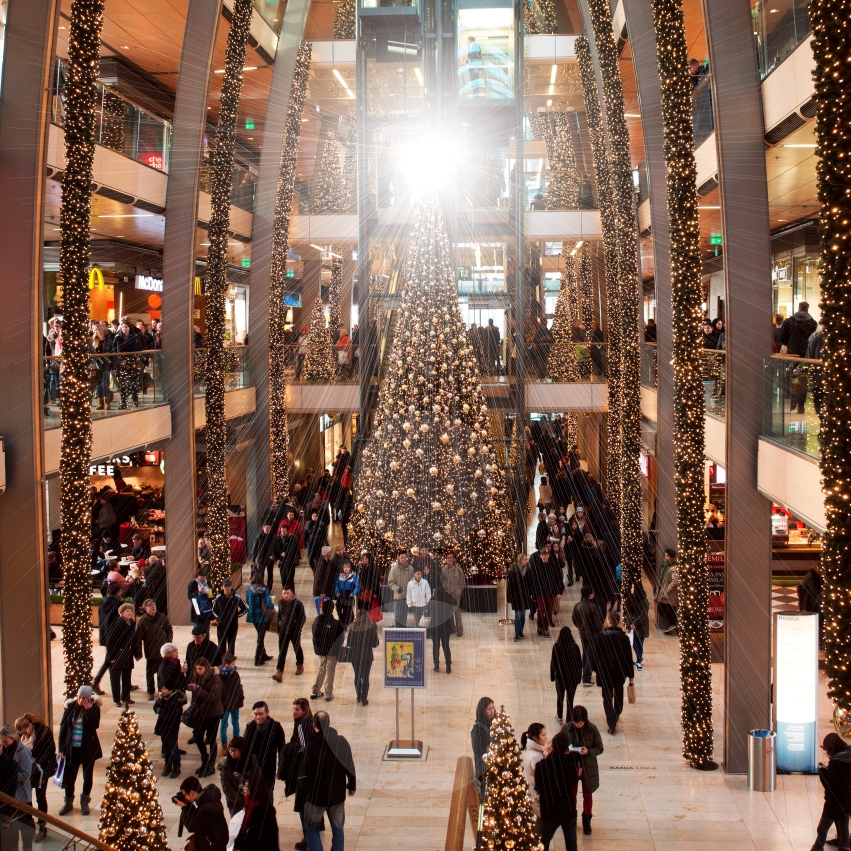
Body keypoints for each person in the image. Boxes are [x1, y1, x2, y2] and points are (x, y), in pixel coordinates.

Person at [300, 711, 356, 851]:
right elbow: (349, 764)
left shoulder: (312, 746)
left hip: (316, 797)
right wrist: (352, 784)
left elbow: (306, 773)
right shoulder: (341, 742)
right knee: (338, 830)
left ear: (313, 726)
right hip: (337, 796)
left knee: (312, 828)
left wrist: (303, 794)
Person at [58, 685, 102, 817]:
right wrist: (61, 747)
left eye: (84, 698)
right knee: (70, 777)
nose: (81, 700)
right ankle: (68, 801)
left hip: (88, 749)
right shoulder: (70, 707)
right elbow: (63, 728)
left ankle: (84, 802)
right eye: (80, 697)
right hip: (73, 749)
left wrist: (88, 711)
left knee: (87, 776)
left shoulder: (94, 709)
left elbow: (94, 725)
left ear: (89, 699)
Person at [588, 610, 634, 734]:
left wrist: (596, 669)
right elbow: (628, 658)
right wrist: (631, 675)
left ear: (608, 621)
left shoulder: (599, 638)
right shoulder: (623, 639)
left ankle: (611, 722)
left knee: (607, 698)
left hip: (605, 673)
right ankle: (616, 713)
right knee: (618, 695)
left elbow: (592, 656)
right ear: (618, 622)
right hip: (619, 672)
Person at [14, 713, 57, 839]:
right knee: (27, 797)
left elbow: (49, 751)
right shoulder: (20, 735)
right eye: (21, 734)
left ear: (30, 726)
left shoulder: (44, 733)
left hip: (41, 770)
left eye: (25, 733)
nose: (24, 736)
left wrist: (32, 759)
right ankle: (30, 824)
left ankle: (42, 825)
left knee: (40, 797)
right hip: (28, 771)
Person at [534, 731, 579, 851]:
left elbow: (538, 786)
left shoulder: (541, 766)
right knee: (571, 845)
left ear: (552, 746)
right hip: (567, 810)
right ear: (566, 749)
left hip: (550, 811)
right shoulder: (570, 767)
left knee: (542, 843)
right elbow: (574, 782)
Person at [281, 699, 316, 851]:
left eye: (297, 709)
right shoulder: (311, 722)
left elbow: (303, 748)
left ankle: (308, 838)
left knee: (302, 805)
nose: (294, 712)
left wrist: (289, 750)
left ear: (304, 710)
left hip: (303, 771)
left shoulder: (301, 725)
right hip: (312, 770)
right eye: (293, 709)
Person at [563, 705, 604, 836]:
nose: (579, 725)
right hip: (571, 766)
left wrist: (589, 751)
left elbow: (600, 748)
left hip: (588, 766)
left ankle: (587, 820)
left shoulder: (592, 729)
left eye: (581, 723)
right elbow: (558, 744)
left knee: (587, 794)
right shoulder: (567, 728)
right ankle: (572, 819)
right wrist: (566, 751)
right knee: (572, 794)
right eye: (576, 723)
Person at [811, 733, 851, 851]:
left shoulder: (835, 763)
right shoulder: (848, 758)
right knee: (844, 828)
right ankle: (844, 848)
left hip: (834, 802)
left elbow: (829, 785)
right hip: (847, 800)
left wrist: (823, 771)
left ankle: (817, 848)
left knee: (822, 829)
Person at [187, 657, 224, 777]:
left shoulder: (215, 679)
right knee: (197, 736)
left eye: (201, 668)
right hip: (201, 713)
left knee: (211, 739)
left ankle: (211, 764)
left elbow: (212, 697)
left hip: (213, 714)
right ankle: (205, 758)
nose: (198, 671)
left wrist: (198, 689)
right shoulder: (197, 677)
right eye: (197, 669)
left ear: (206, 668)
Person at [0, 726, 35, 848]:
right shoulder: (6, 749)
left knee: (25, 826)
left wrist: (11, 776)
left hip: (21, 795)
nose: (4, 744)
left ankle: (27, 848)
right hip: (10, 796)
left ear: (13, 738)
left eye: (6, 741)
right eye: (2, 742)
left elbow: (26, 773)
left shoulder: (23, 751)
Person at [243, 701, 286, 794]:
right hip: (253, 769)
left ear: (267, 712)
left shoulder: (276, 727)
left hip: (268, 769)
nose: (258, 717)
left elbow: (282, 750)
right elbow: (244, 750)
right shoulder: (250, 728)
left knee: (268, 794)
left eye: (261, 714)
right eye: (256, 714)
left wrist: (280, 768)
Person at [176, 777, 229, 851]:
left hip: (213, 846)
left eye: (185, 794)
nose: (185, 797)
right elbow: (198, 817)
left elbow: (192, 826)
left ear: (192, 793)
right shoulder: (207, 798)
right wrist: (188, 806)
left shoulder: (207, 807)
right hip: (213, 841)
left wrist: (185, 807)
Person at [134, 597, 173, 700]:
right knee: (150, 673)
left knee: (162, 672)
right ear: (145, 609)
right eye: (150, 605)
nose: (153, 606)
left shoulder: (162, 617)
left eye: (154, 604)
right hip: (151, 651)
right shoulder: (142, 622)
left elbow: (169, 629)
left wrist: (168, 643)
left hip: (163, 651)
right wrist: (138, 653)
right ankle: (150, 691)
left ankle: (161, 690)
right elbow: (138, 639)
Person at [233, 774, 279, 851]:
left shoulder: (266, 810)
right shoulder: (248, 804)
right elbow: (244, 827)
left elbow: (271, 835)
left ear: (254, 788)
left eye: (246, 786)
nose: (243, 788)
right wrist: (236, 846)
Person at [217, 736, 260, 816]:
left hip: (251, 799)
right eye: (231, 750)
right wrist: (241, 803)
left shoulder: (252, 760)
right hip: (234, 803)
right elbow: (227, 787)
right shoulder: (226, 765)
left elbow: (257, 779)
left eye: (236, 750)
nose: (232, 753)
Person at [311, 599, 345, 702]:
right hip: (332, 651)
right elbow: (341, 638)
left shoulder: (317, 621)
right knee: (330, 670)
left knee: (321, 668)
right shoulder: (336, 624)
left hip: (321, 650)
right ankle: (328, 694)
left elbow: (314, 633)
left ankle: (315, 691)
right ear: (332, 610)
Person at [92, 581, 122, 695]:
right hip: (115, 636)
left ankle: (124, 683)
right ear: (118, 592)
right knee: (111, 659)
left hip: (105, 635)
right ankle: (96, 681)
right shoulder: (118, 603)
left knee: (110, 658)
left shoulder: (104, 602)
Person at [273, 586, 307, 682]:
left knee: (297, 648)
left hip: (294, 631)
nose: (286, 595)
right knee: (282, 651)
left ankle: (300, 665)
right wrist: (279, 630)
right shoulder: (280, 603)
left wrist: (298, 629)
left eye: (287, 593)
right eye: (284, 593)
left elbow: (302, 618)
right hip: (283, 631)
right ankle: (279, 671)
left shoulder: (297, 604)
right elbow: (279, 617)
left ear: (291, 593)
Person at [153, 680, 186, 779]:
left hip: (172, 728)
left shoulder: (176, 701)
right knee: (165, 747)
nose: (162, 690)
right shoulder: (163, 698)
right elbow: (155, 708)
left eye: (164, 689)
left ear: (171, 691)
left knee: (173, 748)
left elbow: (172, 716)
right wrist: (159, 702)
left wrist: (161, 711)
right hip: (163, 727)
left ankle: (176, 767)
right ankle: (167, 765)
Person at [106, 602, 137, 708]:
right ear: (122, 613)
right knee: (115, 679)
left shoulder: (132, 623)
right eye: (127, 611)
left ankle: (126, 697)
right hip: (117, 655)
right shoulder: (116, 624)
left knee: (127, 678)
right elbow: (110, 642)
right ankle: (117, 699)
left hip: (127, 654)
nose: (129, 613)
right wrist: (111, 657)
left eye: (131, 611)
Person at [348, 607, 380, 704]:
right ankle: (364, 699)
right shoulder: (371, 626)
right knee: (365, 677)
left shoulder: (353, 626)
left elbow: (349, 642)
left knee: (357, 676)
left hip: (355, 656)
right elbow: (375, 643)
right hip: (367, 656)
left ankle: (359, 695)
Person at [529, 547, 564, 638]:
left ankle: (545, 628)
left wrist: (559, 592)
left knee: (548, 612)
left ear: (549, 555)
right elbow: (534, 582)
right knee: (541, 611)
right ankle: (540, 626)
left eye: (546, 555)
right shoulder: (536, 567)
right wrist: (534, 594)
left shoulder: (554, 566)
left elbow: (559, 580)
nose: (544, 557)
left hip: (551, 593)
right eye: (542, 555)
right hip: (540, 593)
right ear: (540, 556)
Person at [572, 586, 602, 688]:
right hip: (592, 634)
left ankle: (584, 674)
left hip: (582, 633)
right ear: (589, 595)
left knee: (585, 653)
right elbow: (597, 624)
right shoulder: (594, 607)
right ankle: (586, 678)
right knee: (590, 654)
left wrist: (580, 627)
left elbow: (574, 620)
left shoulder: (577, 606)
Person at [551, 627, 583, 725]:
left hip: (561, 677)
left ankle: (560, 715)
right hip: (572, 678)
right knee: (570, 699)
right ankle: (569, 719)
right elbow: (579, 664)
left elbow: (553, 663)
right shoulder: (575, 647)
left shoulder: (557, 646)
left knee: (560, 697)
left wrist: (553, 676)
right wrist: (578, 678)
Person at [212, 578, 247, 657]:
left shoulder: (237, 597)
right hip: (221, 625)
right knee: (221, 645)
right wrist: (219, 618)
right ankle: (222, 663)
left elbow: (245, 608)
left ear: (231, 586)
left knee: (231, 644)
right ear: (222, 587)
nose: (227, 588)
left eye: (229, 586)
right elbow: (214, 610)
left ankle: (231, 663)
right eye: (225, 586)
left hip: (233, 625)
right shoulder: (218, 598)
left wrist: (236, 616)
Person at [246, 571, 274, 667]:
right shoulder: (265, 590)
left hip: (253, 616)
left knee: (260, 634)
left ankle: (263, 654)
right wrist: (273, 605)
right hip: (263, 616)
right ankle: (257, 658)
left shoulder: (249, 590)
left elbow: (247, 602)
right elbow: (268, 603)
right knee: (261, 637)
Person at [521, 723, 547, 823]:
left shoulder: (533, 750)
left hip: (532, 791)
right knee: (541, 824)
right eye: (543, 735)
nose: (545, 738)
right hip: (536, 795)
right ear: (535, 738)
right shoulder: (535, 757)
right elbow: (543, 776)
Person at [218, 652, 244, 747]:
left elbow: (239, 687)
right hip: (225, 705)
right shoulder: (220, 676)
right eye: (233, 664)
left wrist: (241, 697)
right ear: (226, 664)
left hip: (235, 703)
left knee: (235, 722)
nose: (234, 665)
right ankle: (224, 743)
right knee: (224, 724)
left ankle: (236, 743)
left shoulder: (235, 674)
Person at [623, 581, 651, 671]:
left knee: (639, 643)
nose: (631, 589)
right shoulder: (630, 599)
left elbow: (643, 615)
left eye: (632, 588)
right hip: (632, 626)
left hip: (641, 626)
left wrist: (634, 623)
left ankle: (639, 660)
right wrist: (629, 623)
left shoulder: (644, 601)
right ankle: (639, 659)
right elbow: (627, 612)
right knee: (634, 643)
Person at [471, 697, 495, 795]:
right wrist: (492, 749)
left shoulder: (495, 724)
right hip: (484, 767)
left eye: (493, 708)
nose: (492, 711)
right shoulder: (477, 729)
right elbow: (478, 750)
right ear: (483, 710)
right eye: (489, 709)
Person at [507, 553, 533, 641]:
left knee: (523, 614)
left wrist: (531, 593)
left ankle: (521, 631)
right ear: (520, 560)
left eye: (526, 559)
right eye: (524, 559)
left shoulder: (528, 570)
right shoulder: (513, 571)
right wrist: (509, 597)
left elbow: (530, 583)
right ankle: (517, 633)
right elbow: (510, 585)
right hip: (517, 597)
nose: (526, 561)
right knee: (518, 615)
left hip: (525, 596)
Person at [430, 585, 455, 674]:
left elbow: (427, 612)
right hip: (446, 627)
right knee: (446, 647)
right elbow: (455, 602)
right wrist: (447, 595)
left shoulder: (433, 601)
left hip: (435, 627)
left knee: (435, 647)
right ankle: (448, 666)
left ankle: (436, 666)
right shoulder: (448, 600)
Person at [387, 549, 413, 628]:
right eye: (402, 557)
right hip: (398, 597)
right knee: (398, 615)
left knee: (404, 615)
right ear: (399, 558)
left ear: (407, 558)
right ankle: (398, 630)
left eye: (404, 557)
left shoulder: (411, 569)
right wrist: (397, 588)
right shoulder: (394, 569)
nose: (403, 559)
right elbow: (390, 582)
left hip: (407, 597)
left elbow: (414, 581)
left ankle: (403, 630)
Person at [656, 549, 679, 635]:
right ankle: (671, 625)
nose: (665, 557)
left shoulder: (673, 568)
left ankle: (672, 624)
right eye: (665, 555)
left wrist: (667, 590)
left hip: (670, 594)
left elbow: (675, 581)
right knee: (666, 608)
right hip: (666, 593)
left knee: (667, 608)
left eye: (666, 556)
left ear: (671, 557)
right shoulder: (665, 567)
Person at [441, 551, 465, 636]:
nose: (449, 559)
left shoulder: (459, 570)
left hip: (456, 595)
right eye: (448, 558)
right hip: (447, 595)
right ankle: (452, 628)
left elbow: (462, 583)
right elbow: (441, 582)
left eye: (451, 558)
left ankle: (459, 629)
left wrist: (457, 592)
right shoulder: (443, 570)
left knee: (457, 613)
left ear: (454, 559)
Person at [252, 522, 279, 592]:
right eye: (266, 528)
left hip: (270, 558)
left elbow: (276, 548)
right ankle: (261, 588)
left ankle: (269, 589)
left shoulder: (273, 537)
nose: (268, 529)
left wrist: (274, 556)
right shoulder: (259, 537)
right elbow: (255, 548)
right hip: (262, 558)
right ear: (263, 528)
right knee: (261, 574)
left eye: (269, 528)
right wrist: (253, 558)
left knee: (270, 574)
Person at [333, 560, 360, 627]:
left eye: (348, 567)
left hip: (348, 595)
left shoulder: (353, 577)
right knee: (338, 608)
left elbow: (357, 586)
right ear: (342, 568)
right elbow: (336, 585)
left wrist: (353, 593)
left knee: (346, 610)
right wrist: (337, 592)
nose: (346, 569)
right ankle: (342, 621)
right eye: (345, 567)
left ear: (350, 568)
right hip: (341, 595)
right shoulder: (340, 576)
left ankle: (345, 623)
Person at [188, 564, 214, 630]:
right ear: (197, 576)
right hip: (197, 610)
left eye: (204, 577)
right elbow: (190, 596)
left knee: (206, 630)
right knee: (198, 629)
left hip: (206, 609)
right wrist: (198, 592)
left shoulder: (207, 583)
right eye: (201, 577)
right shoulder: (193, 583)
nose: (203, 579)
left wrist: (210, 594)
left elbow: (212, 594)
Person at [278, 523, 302, 590]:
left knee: (290, 580)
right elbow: (276, 550)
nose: (282, 533)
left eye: (284, 531)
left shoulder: (292, 539)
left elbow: (294, 550)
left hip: (290, 563)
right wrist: (278, 557)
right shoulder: (279, 539)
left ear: (288, 531)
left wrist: (286, 554)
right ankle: (285, 592)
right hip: (282, 563)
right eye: (281, 531)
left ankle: (292, 594)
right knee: (283, 579)